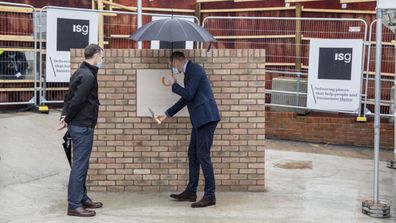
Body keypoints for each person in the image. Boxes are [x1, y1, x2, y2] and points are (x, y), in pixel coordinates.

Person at [156, 51, 221, 208]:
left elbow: (189, 94)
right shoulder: (189, 73)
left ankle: (210, 195)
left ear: (178, 60)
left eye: (172, 65)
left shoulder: (195, 69)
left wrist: (174, 84)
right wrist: (166, 114)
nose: (172, 68)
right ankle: (191, 191)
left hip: (206, 118)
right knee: (192, 154)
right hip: (199, 120)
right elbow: (185, 99)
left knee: (203, 156)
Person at [57, 44, 104, 217]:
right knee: (79, 166)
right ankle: (74, 205)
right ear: (97, 55)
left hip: (79, 125)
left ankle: (82, 198)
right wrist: (67, 119)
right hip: (83, 126)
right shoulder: (88, 76)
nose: (102, 60)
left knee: (81, 165)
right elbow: (76, 101)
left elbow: (68, 97)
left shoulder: (80, 72)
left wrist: (64, 116)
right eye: (102, 56)